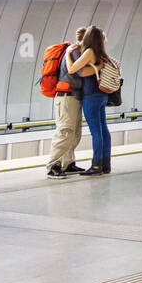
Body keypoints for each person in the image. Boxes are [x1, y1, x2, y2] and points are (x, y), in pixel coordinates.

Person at [64, 26, 115, 176]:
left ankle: (96, 165)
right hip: (102, 95)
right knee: (104, 129)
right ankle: (106, 164)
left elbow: (72, 69)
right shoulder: (102, 52)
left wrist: (68, 54)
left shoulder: (89, 52)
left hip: (91, 96)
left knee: (96, 132)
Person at [46, 27, 88, 179]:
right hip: (66, 97)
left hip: (74, 97)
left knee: (74, 133)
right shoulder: (75, 51)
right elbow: (78, 72)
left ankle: (68, 163)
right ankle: (53, 166)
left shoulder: (79, 51)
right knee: (64, 132)